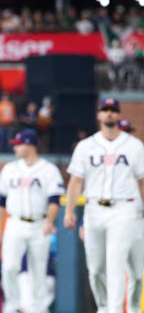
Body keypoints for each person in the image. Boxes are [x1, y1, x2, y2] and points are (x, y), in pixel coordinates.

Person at [64, 98, 144, 313]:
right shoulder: (86, 146)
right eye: (105, 109)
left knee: (116, 264)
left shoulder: (134, 146)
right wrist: (70, 210)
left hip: (124, 208)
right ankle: (104, 307)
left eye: (113, 110)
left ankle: (118, 310)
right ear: (98, 115)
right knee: (96, 269)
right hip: (94, 209)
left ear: (118, 114)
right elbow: (76, 181)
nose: (109, 113)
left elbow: (142, 181)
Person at [0, 128, 64, 313]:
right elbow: (0, 202)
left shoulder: (48, 169)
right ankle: (13, 306)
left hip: (40, 224)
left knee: (38, 271)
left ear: (30, 145)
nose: (15, 148)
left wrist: (50, 221)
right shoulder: (10, 169)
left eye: (18, 144)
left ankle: (38, 309)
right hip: (15, 223)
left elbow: (55, 200)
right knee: (8, 267)